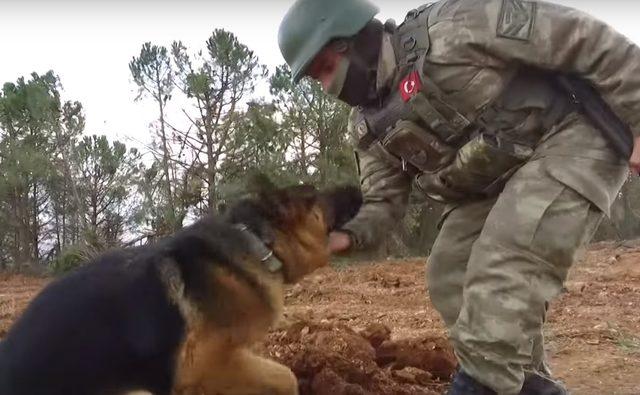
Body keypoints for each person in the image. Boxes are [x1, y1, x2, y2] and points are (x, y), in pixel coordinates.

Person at [278, 0, 640, 394]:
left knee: (504, 263)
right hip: (495, 180)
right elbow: (383, 201)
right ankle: (529, 387)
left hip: (572, 135)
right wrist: (342, 237)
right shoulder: (368, 125)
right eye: (318, 80)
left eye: (327, 69)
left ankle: (482, 384)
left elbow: (583, 38)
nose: (329, 88)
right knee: (449, 273)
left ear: (352, 39)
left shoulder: (457, 26)